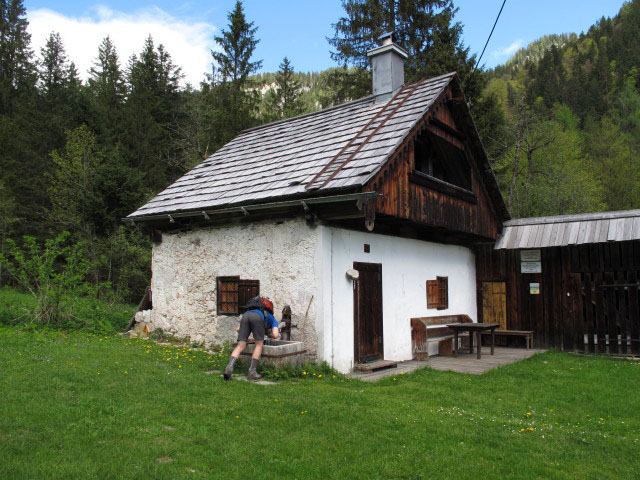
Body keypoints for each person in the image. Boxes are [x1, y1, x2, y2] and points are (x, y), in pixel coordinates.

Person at [223, 296, 279, 381]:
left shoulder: (248, 311)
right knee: (259, 345)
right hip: (257, 318)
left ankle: (229, 367)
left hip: (245, 317)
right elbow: (275, 335)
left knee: (240, 345)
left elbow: (238, 329)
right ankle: (252, 372)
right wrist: (269, 332)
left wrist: (247, 338)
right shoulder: (271, 317)